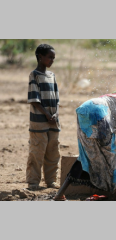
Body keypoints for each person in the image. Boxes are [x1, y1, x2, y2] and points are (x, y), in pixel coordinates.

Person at [26, 44, 60, 190]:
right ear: (40, 57)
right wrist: (47, 115)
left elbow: (57, 99)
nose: (52, 60)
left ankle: (51, 181)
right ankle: (33, 182)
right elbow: (34, 100)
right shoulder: (34, 75)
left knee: (53, 151)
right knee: (37, 151)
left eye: (53, 58)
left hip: (53, 121)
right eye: (49, 57)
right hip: (39, 121)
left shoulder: (52, 76)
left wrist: (55, 114)